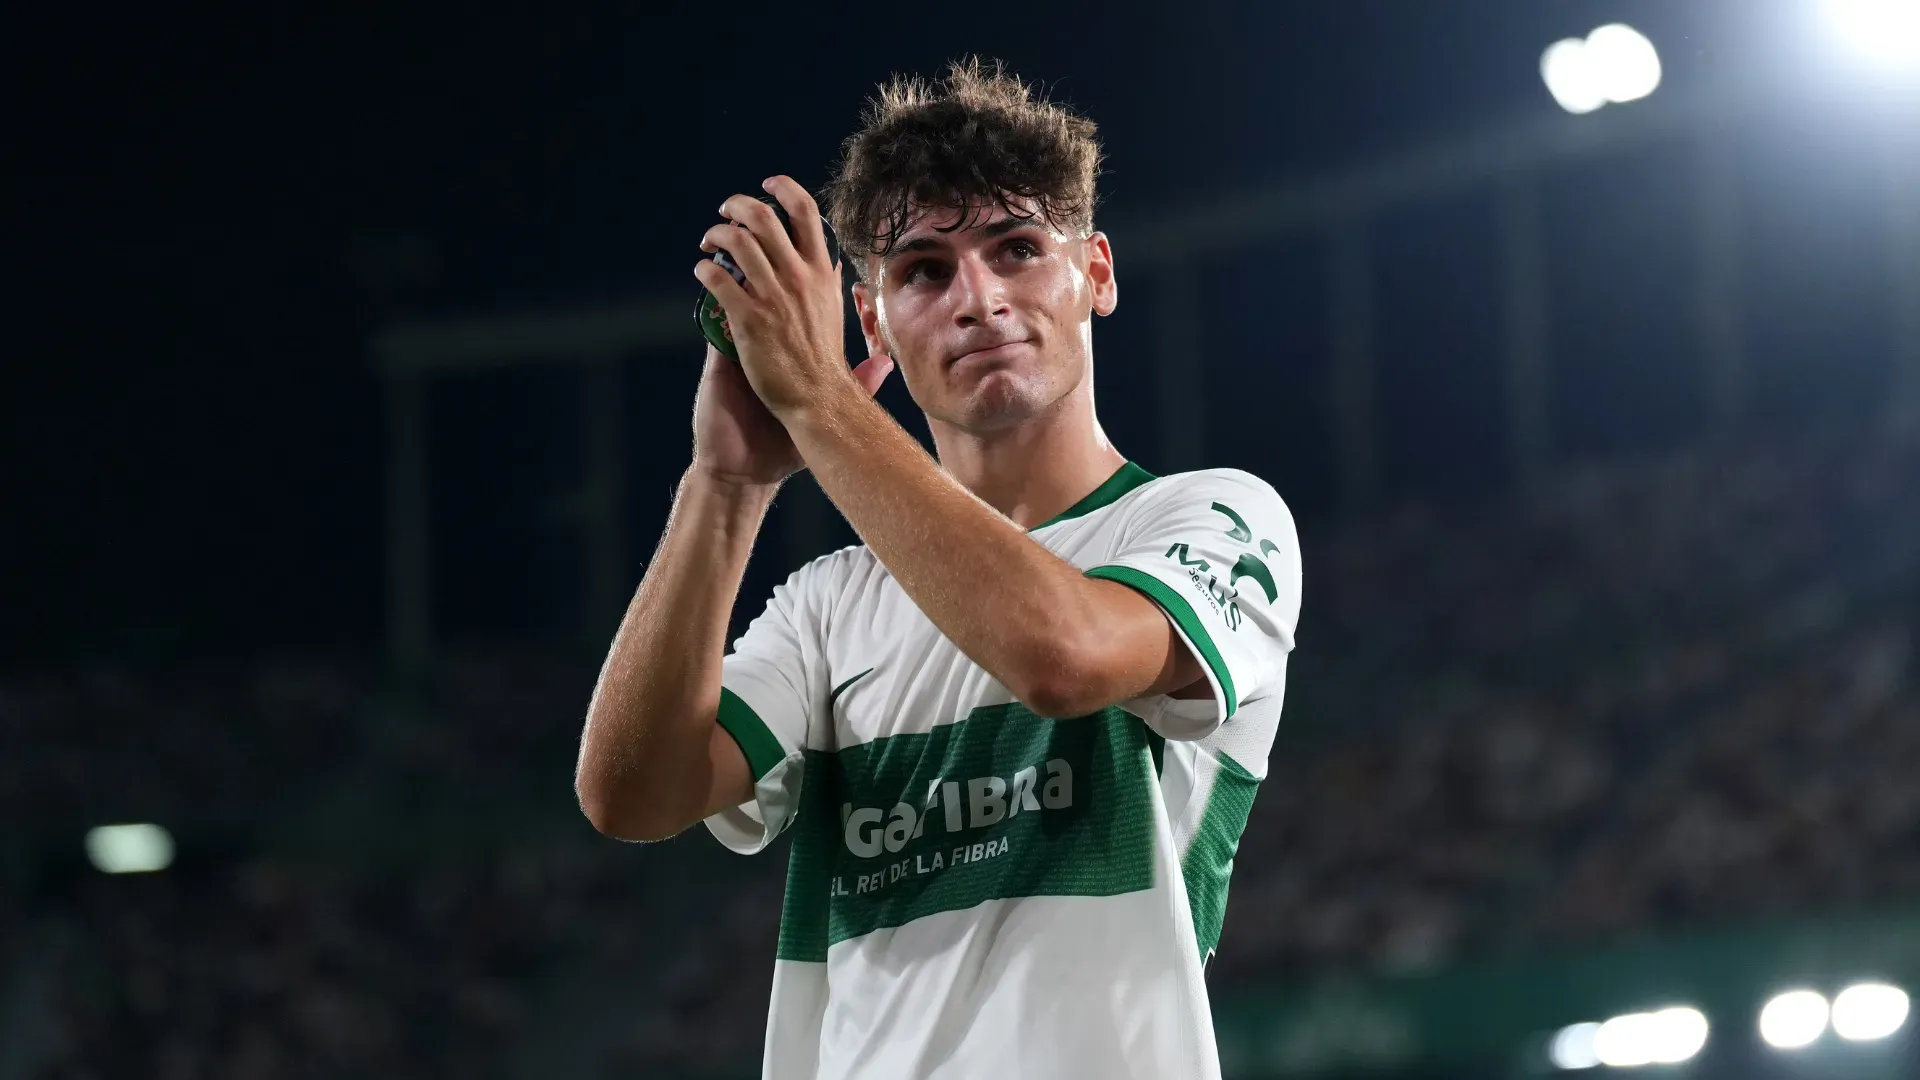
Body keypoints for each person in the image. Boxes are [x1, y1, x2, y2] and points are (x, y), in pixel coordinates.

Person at [575, 58, 1302, 1080]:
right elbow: (632, 794)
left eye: (1018, 249)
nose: (979, 298)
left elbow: (1060, 657)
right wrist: (725, 484)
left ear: (1096, 273)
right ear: (873, 320)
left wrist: (820, 402)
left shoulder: (1215, 518)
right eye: (922, 270)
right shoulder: (830, 604)